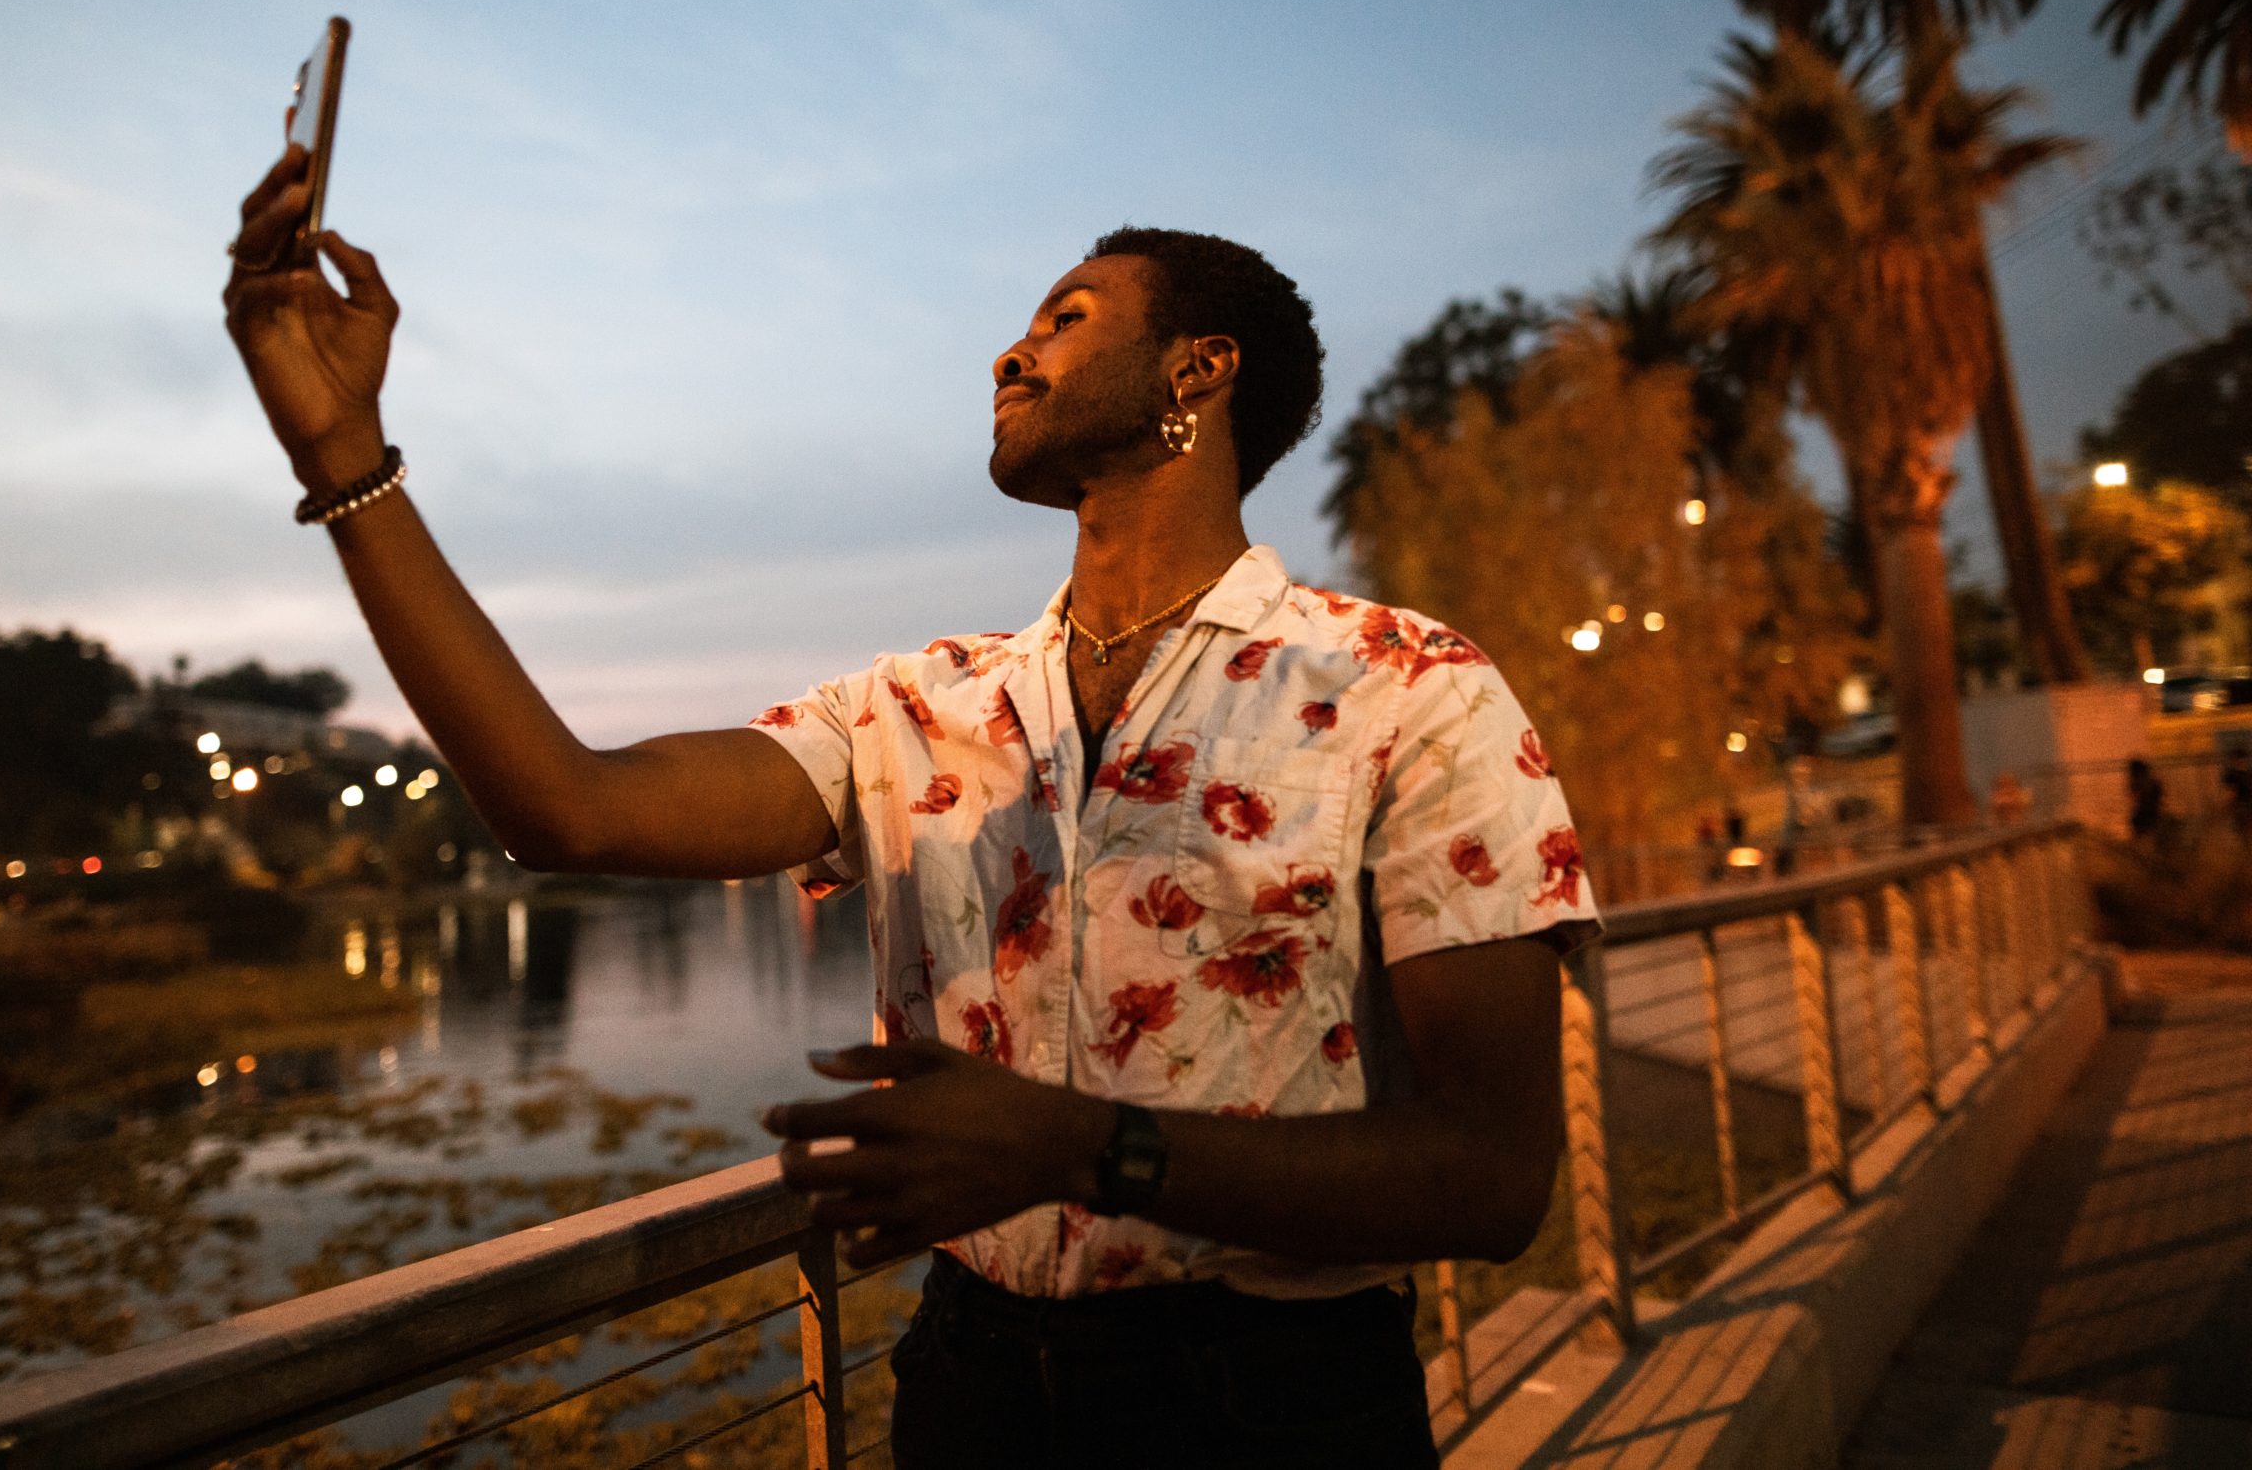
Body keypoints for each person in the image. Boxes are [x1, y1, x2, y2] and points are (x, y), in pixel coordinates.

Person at [222, 148, 1599, 1470]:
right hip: (972, 1394)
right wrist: (346, 460)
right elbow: (566, 810)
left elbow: (1491, 1173)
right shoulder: (910, 712)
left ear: (1199, 369)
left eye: (1065, 318)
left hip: (1280, 1409)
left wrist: (1082, 1149)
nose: (1010, 353)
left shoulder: (1406, 688)